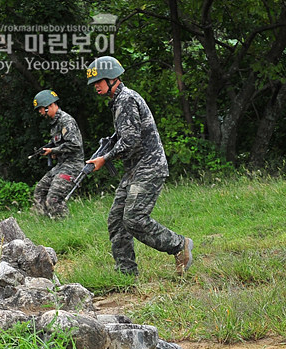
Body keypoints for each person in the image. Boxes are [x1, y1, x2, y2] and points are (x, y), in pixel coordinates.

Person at [84, 55, 194, 276]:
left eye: (99, 81)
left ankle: (179, 245)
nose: (96, 86)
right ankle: (126, 273)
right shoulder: (118, 101)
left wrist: (104, 159)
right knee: (116, 220)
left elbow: (130, 140)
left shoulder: (125, 99)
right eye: (94, 83)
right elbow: (123, 136)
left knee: (133, 218)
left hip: (149, 167)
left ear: (112, 78)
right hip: (135, 169)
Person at [31, 90, 84, 218]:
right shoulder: (54, 124)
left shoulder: (66, 121)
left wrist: (54, 150)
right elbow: (60, 144)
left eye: (41, 109)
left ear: (49, 106)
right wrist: (53, 152)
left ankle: (64, 225)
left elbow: (75, 144)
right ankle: (45, 224)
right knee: (39, 192)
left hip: (73, 166)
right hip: (61, 165)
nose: (40, 112)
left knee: (53, 199)